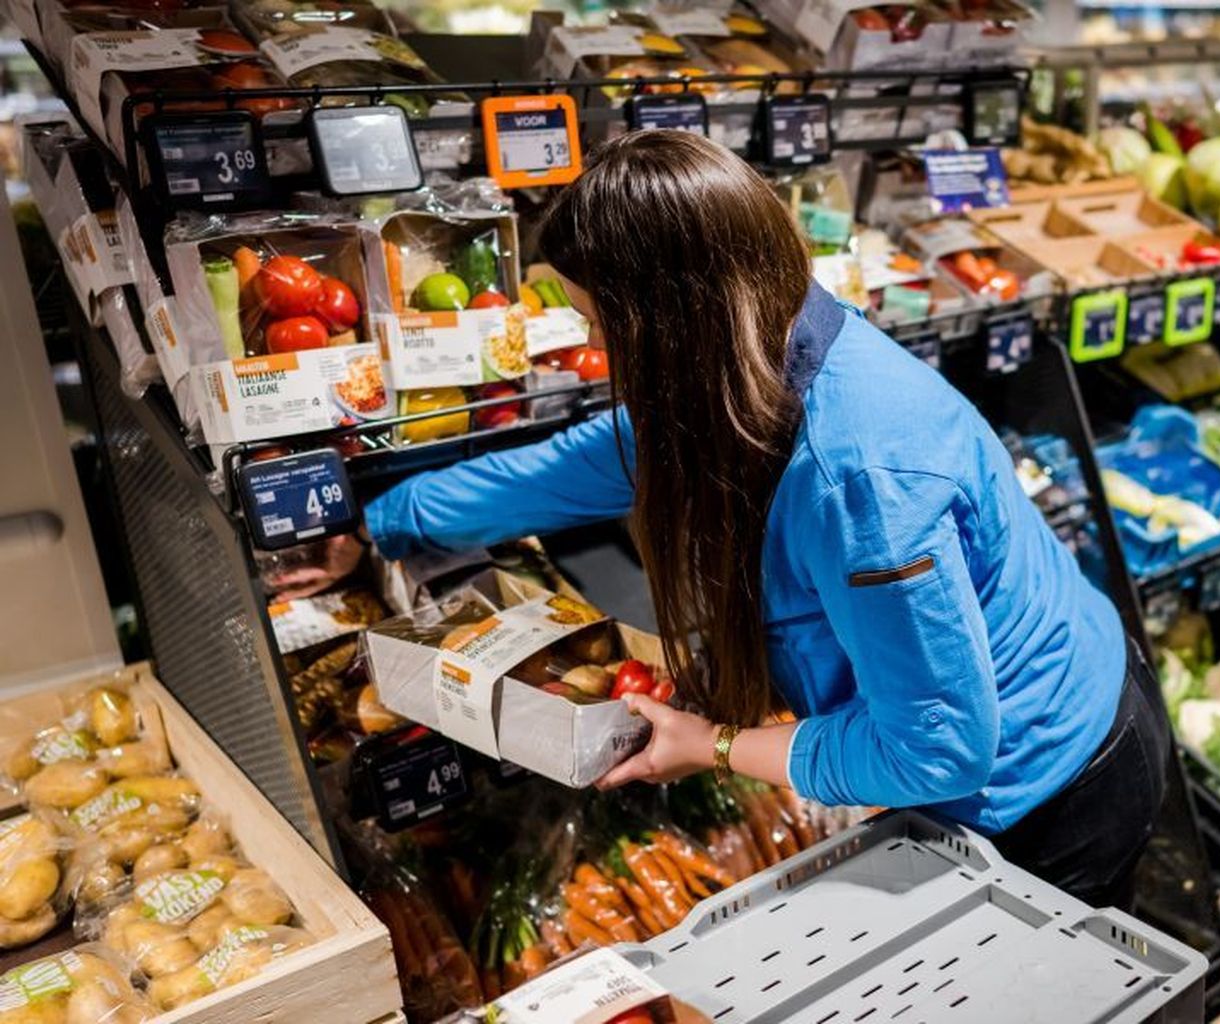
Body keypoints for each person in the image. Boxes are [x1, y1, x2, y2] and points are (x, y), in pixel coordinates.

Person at [322, 131, 1168, 908]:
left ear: (670, 325)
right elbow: (578, 465)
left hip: (1053, 793)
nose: (603, 353)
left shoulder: (858, 479)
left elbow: (939, 751)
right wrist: (380, 525)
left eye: (599, 325)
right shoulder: (769, 343)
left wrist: (713, 747)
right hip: (1009, 723)